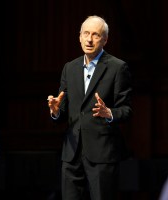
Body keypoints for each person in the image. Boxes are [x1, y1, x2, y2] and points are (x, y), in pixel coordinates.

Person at [47, 15, 132, 200]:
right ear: (79, 37)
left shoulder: (118, 67)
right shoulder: (69, 68)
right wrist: (56, 111)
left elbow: (126, 110)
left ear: (105, 39)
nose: (89, 39)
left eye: (95, 35)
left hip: (102, 153)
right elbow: (63, 112)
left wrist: (108, 112)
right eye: (85, 33)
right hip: (72, 153)